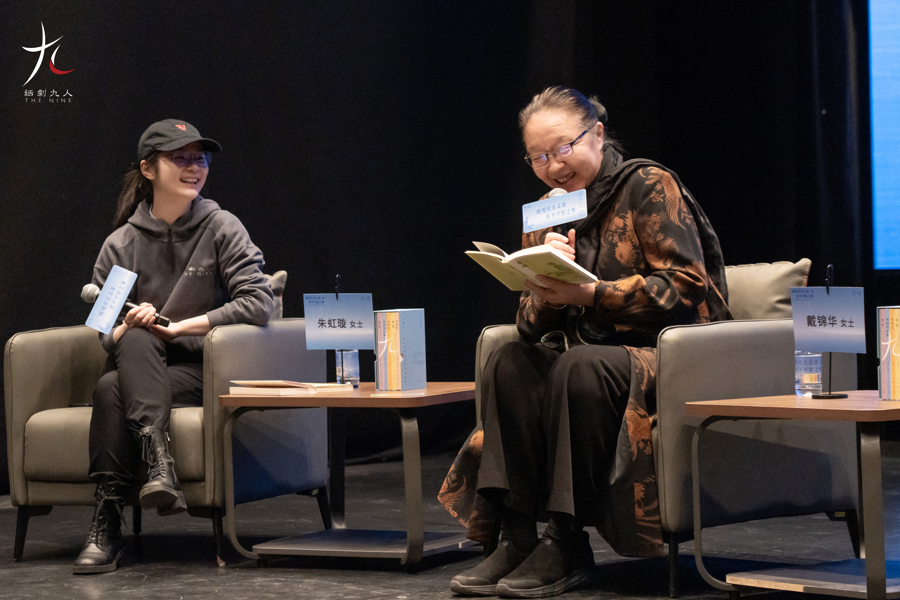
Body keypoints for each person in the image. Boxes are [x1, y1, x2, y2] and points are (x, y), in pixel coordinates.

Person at [439, 87, 731, 598]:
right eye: (539, 157)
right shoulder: (546, 212)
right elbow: (529, 328)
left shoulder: (646, 184)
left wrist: (591, 294)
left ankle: (565, 540)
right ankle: (518, 537)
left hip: (669, 354)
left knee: (581, 365)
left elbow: (685, 288)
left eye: (563, 149)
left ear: (596, 134)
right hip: (589, 356)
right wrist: (548, 282)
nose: (553, 167)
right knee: (509, 360)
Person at [73, 119, 273, 574]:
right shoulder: (121, 244)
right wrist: (131, 325)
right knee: (129, 346)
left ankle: (108, 523)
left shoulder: (221, 226)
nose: (193, 167)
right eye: (179, 158)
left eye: (199, 159)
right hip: (143, 366)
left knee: (110, 389)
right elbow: (105, 335)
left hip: (205, 369)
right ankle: (157, 464)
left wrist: (180, 327)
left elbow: (258, 302)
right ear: (148, 169)